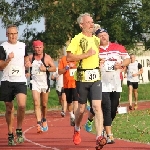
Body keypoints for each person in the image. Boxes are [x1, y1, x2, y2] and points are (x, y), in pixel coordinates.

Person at [66, 13, 106, 150]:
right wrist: (86, 55)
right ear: (81, 25)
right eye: (88, 22)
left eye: (92, 22)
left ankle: (99, 137)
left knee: (96, 107)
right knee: (81, 109)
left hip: (96, 77)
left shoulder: (96, 39)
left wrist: (99, 60)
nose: (91, 24)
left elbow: (96, 55)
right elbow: (69, 57)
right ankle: (77, 128)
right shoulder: (77, 39)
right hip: (82, 78)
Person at [84, 28, 130, 144]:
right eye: (100, 35)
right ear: (97, 38)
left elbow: (127, 59)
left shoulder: (118, 47)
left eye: (105, 35)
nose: (103, 37)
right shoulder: (94, 50)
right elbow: (87, 64)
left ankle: (93, 120)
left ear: (108, 36)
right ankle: (109, 134)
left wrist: (122, 64)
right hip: (100, 83)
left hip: (115, 82)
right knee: (106, 107)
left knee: (113, 109)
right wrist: (97, 64)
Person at [0, 24, 31, 145]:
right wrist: (8, 59)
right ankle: (9, 133)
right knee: (9, 108)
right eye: (10, 33)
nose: (13, 36)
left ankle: (18, 129)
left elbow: (26, 58)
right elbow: (1, 66)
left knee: (22, 105)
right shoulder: (3, 47)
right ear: (6, 34)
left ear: (17, 34)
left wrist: (27, 63)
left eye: (15, 33)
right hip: (7, 80)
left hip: (20, 80)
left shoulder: (23, 46)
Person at [29, 40, 56, 133]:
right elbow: (24, 65)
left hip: (44, 83)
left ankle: (44, 118)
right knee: (36, 103)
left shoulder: (47, 58)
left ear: (43, 48)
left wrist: (46, 69)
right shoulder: (30, 57)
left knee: (44, 105)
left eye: (40, 47)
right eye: (37, 47)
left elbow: (54, 68)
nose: (39, 49)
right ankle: (38, 123)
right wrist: (26, 70)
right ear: (33, 48)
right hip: (35, 83)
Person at [58, 55, 78, 126]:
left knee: (76, 101)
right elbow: (59, 72)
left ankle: (75, 118)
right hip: (67, 84)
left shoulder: (78, 58)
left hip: (76, 83)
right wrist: (67, 67)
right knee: (69, 102)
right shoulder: (63, 59)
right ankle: (72, 115)